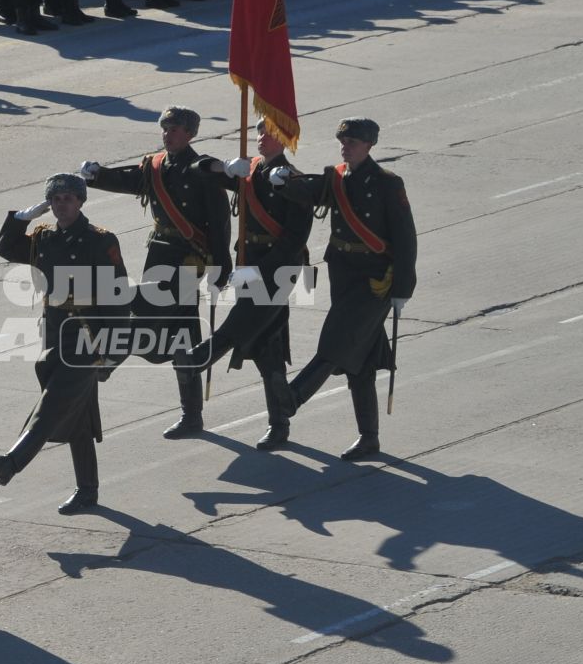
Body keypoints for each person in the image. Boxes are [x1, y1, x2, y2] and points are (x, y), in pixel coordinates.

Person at [269, 118, 418, 459]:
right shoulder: (337, 177)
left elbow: (405, 239)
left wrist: (403, 288)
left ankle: (293, 396)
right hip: (344, 274)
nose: (346, 145)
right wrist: (281, 182)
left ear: (369, 145)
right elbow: (312, 191)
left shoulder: (387, 184)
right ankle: (369, 438)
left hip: (375, 281)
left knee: (336, 339)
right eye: (343, 140)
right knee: (360, 361)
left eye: (352, 141)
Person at [0, 172, 130, 514]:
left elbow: (118, 296)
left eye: (67, 199)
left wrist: (114, 350)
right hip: (54, 335)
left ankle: (12, 462)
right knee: (76, 415)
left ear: (81, 202)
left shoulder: (100, 240)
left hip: (87, 336)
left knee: (52, 403)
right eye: (55, 200)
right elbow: (7, 248)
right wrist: (19, 220)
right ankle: (87, 490)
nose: (61, 205)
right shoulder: (45, 237)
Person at [80, 106, 231, 438]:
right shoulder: (156, 166)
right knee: (183, 333)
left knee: (145, 308)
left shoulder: (201, 169)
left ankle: (108, 358)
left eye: (175, 130)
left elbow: (220, 223)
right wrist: (98, 175)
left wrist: (222, 266)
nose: (168, 135)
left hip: (189, 260)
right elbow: (130, 179)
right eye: (165, 129)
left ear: (190, 134)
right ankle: (192, 416)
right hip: (159, 254)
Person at [180, 121, 317, 450]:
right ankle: (279, 424)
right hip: (250, 266)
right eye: (258, 134)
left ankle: (201, 356)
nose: (260, 140)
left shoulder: (294, 181)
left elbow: (294, 241)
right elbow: (199, 169)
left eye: (268, 135)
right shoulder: (250, 171)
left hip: (278, 271)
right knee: (266, 345)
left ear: (283, 140)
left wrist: (258, 273)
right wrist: (222, 166)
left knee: (245, 322)